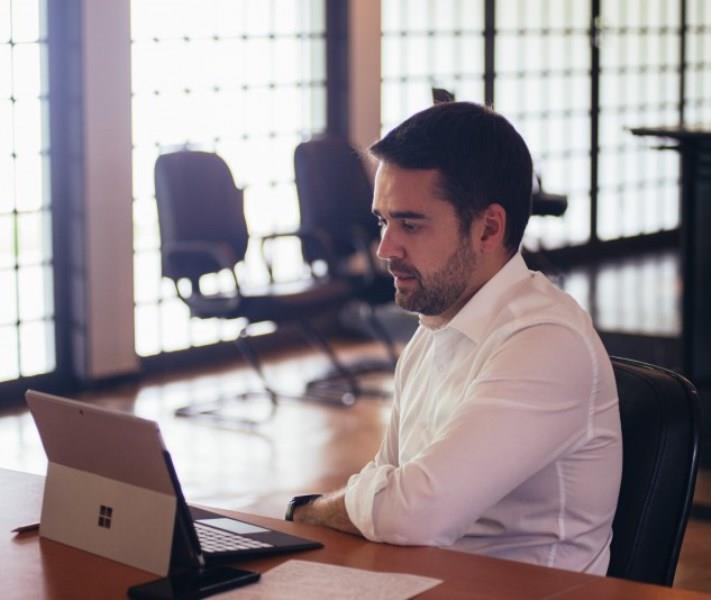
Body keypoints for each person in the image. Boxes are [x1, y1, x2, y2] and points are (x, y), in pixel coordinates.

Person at [285, 102, 622, 575]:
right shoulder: (432, 333)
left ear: (488, 228)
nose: (385, 249)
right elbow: (388, 492)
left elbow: (411, 513)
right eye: (383, 221)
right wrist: (380, 501)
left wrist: (311, 510)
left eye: (411, 224)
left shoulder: (546, 341)